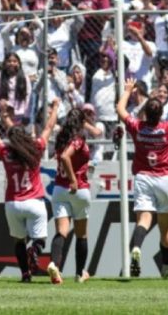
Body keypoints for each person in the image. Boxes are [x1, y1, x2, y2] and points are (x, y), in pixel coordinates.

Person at [118, 78, 168, 278]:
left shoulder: (137, 127)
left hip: (143, 178)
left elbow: (120, 109)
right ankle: (166, 268)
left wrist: (128, 90)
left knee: (144, 221)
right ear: (161, 114)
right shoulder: (167, 128)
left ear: (145, 113)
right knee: (165, 229)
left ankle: (137, 248)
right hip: (165, 179)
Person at [0, 100, 58, 283]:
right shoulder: (35, 149)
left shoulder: (6, 152)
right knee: (40, 240)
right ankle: (35, 251)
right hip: (34, 202)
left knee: (18, 241)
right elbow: (48, 127)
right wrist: (55, 108)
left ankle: (25, 274)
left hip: (13, 203)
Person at [47, 106, 103, 284]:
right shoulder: (78, 140)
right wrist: (73, 179)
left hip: (59, 190)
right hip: (77, 189)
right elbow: (65, 157)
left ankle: (55, 265)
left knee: (62, 231)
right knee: (81, 234)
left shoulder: (61, 138)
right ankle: (80, 274)